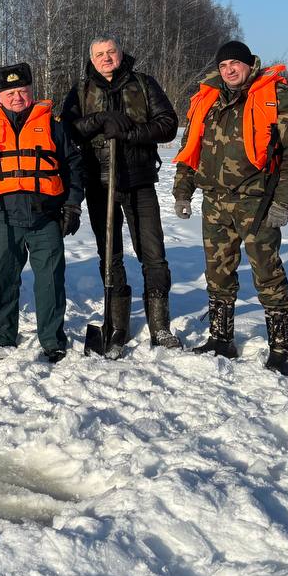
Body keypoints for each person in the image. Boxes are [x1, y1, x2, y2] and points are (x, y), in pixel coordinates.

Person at [173, 40, 288, 375]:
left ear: (250, 64)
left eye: (235, 63)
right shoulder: (208, 99)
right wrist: (182, 192)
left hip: (257, 203)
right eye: (223, 66)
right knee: (217, 273)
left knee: (267, 273)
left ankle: (281, 348)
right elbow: (190, 148)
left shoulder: (277, 96)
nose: (229, 70)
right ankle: (221, 339)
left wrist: (283, 202)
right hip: (214, 202)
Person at [62, 35, 181, 354]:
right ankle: (117, 326)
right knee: (110, 254)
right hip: (99, 183)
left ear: (120, 53)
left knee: (153, 253)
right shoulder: (82, 90)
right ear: (92, 59)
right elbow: (67, 129)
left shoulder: (143, 83)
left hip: (139, 179)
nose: (106, 58)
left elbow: (168, 124)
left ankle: (160, 326)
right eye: (99, 54)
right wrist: (99, 121)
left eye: (111, 52)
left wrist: (130, 133)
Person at [0, 62, 84, 363]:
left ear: (31, 90)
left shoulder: (53, 123)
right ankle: (2, 335)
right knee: (3, 277)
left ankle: (52, 339)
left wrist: (72, 205)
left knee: (50, 278)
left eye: (22, 90)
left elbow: (74, 167)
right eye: (10, 92)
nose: (17, 97)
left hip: (46, 216)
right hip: (2, 216)